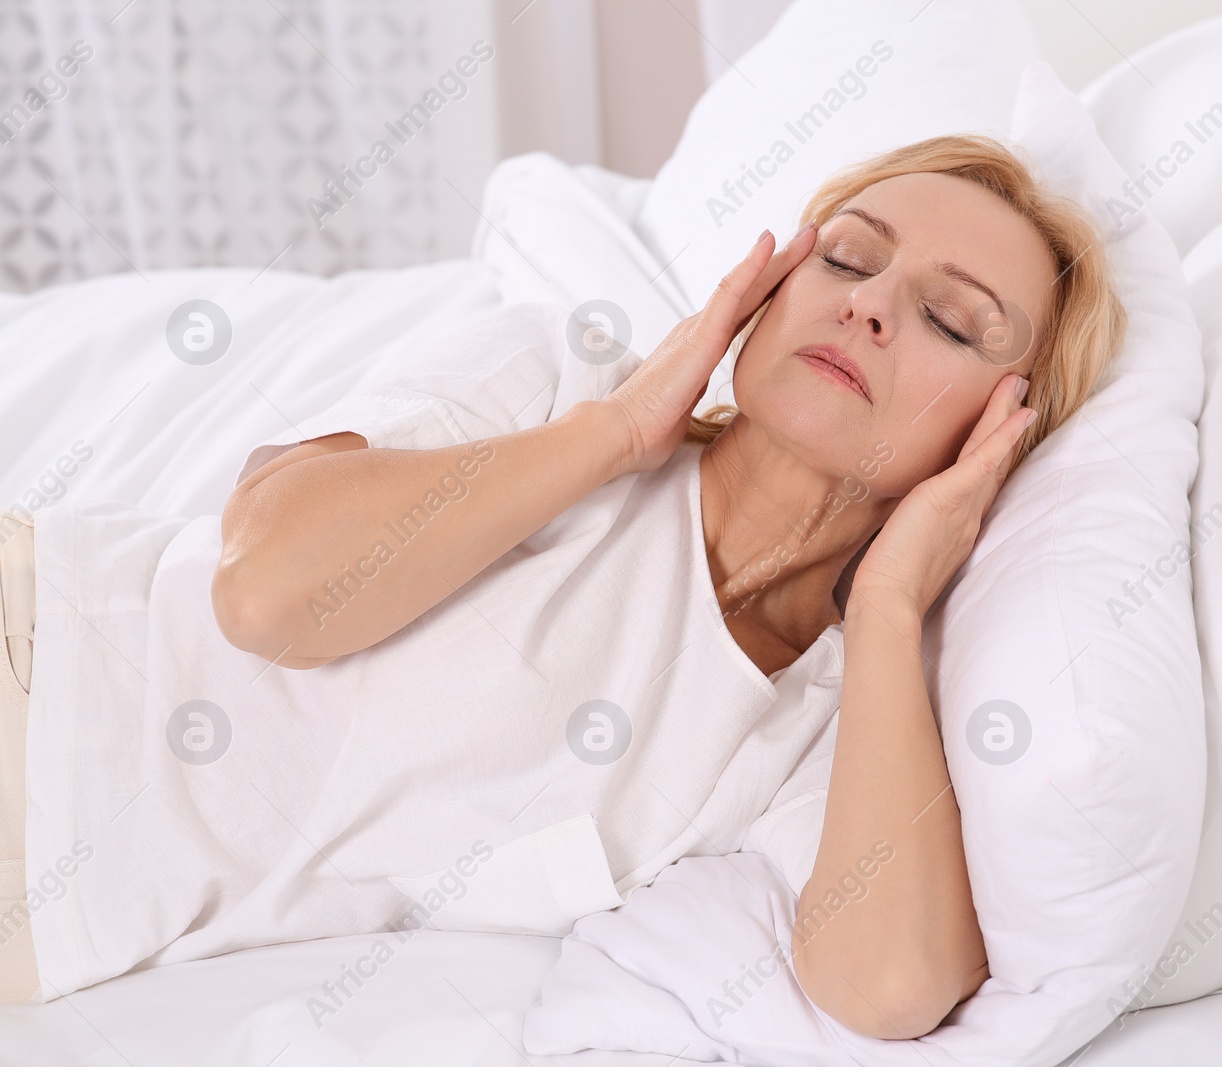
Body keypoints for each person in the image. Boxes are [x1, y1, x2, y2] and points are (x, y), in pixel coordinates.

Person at [0, 133, 1123, 1039]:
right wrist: (618, 432)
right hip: (37, 652)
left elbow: (887, 986)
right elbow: (265, 594)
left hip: (53, 917)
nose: (868, 304)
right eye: (846, 257)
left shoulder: (829, 720)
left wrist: (884, 611)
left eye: (950, 320)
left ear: (1002, 438)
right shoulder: (560, 373)